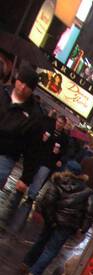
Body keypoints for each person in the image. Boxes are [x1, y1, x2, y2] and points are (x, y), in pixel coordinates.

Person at [21, 159, 93, 275]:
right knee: (52, 249)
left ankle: (27, 263)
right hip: (68, 225)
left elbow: (47, 201)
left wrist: (50, 219)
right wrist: (83, 228)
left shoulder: (57, 182)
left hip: (52, 220)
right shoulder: (87, 191)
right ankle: (35, 272)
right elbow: (91, 211)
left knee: (41, 241)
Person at [0, 65, 44, 207]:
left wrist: (26, 178)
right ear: (17, 80)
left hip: (6, 156)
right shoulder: (2, 92)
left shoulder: (34, 115)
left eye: (28, 86)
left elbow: (33, 148)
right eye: (21, 82)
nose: (23, 87)